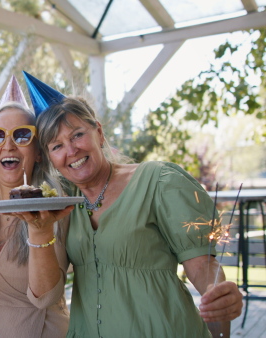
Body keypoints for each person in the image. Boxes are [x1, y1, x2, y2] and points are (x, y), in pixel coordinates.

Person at [26, 71, 244, 337]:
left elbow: (201, 264)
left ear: (99, 133)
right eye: (56, 146)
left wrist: (217, 291)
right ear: (49, 157)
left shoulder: (159, 181)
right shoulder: (65, 201)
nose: (71, 151)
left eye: (77, 135)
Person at [0, 76, 73, 337]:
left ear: (40, 151)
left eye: (22, 136)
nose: (8, 145)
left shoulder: (54, 208)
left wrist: (40, 230)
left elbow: (45, 297)